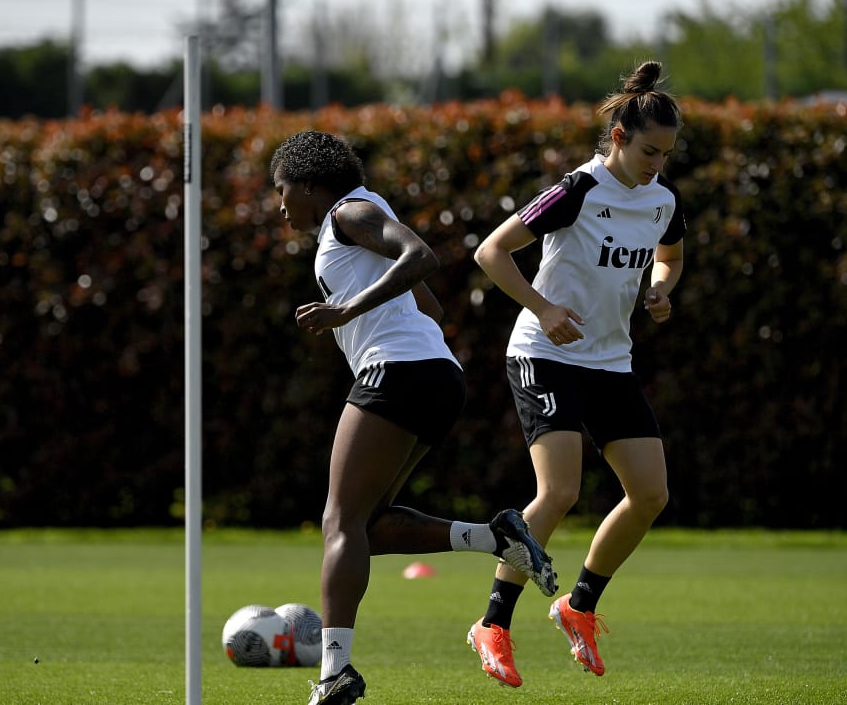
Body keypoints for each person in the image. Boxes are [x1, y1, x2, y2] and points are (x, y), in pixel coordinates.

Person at [269, 130, 559, 705]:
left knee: (339, 523)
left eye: (282, 193)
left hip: (396, 372)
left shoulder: (350, 211)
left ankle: (334, 674)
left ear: (307, 183)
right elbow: (430, 304)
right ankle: (493, 536)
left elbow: (421, 255)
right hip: (435, 375)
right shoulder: (359, 220)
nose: (281, 208)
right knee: (367, 527)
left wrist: (346, 310)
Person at [465, 60, 686, 688]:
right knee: (558, 491)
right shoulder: (578, 189)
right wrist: (544, 308)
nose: (657, 165)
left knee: (650, 494)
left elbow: (667, 257)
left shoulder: (663, 200)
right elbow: (491, 251)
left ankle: (579, 607)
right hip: (544, 352)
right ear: (618, 136)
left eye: (667, 154)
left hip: (610, 361)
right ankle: (493, 624)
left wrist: (661, 291)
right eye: (649, 150)